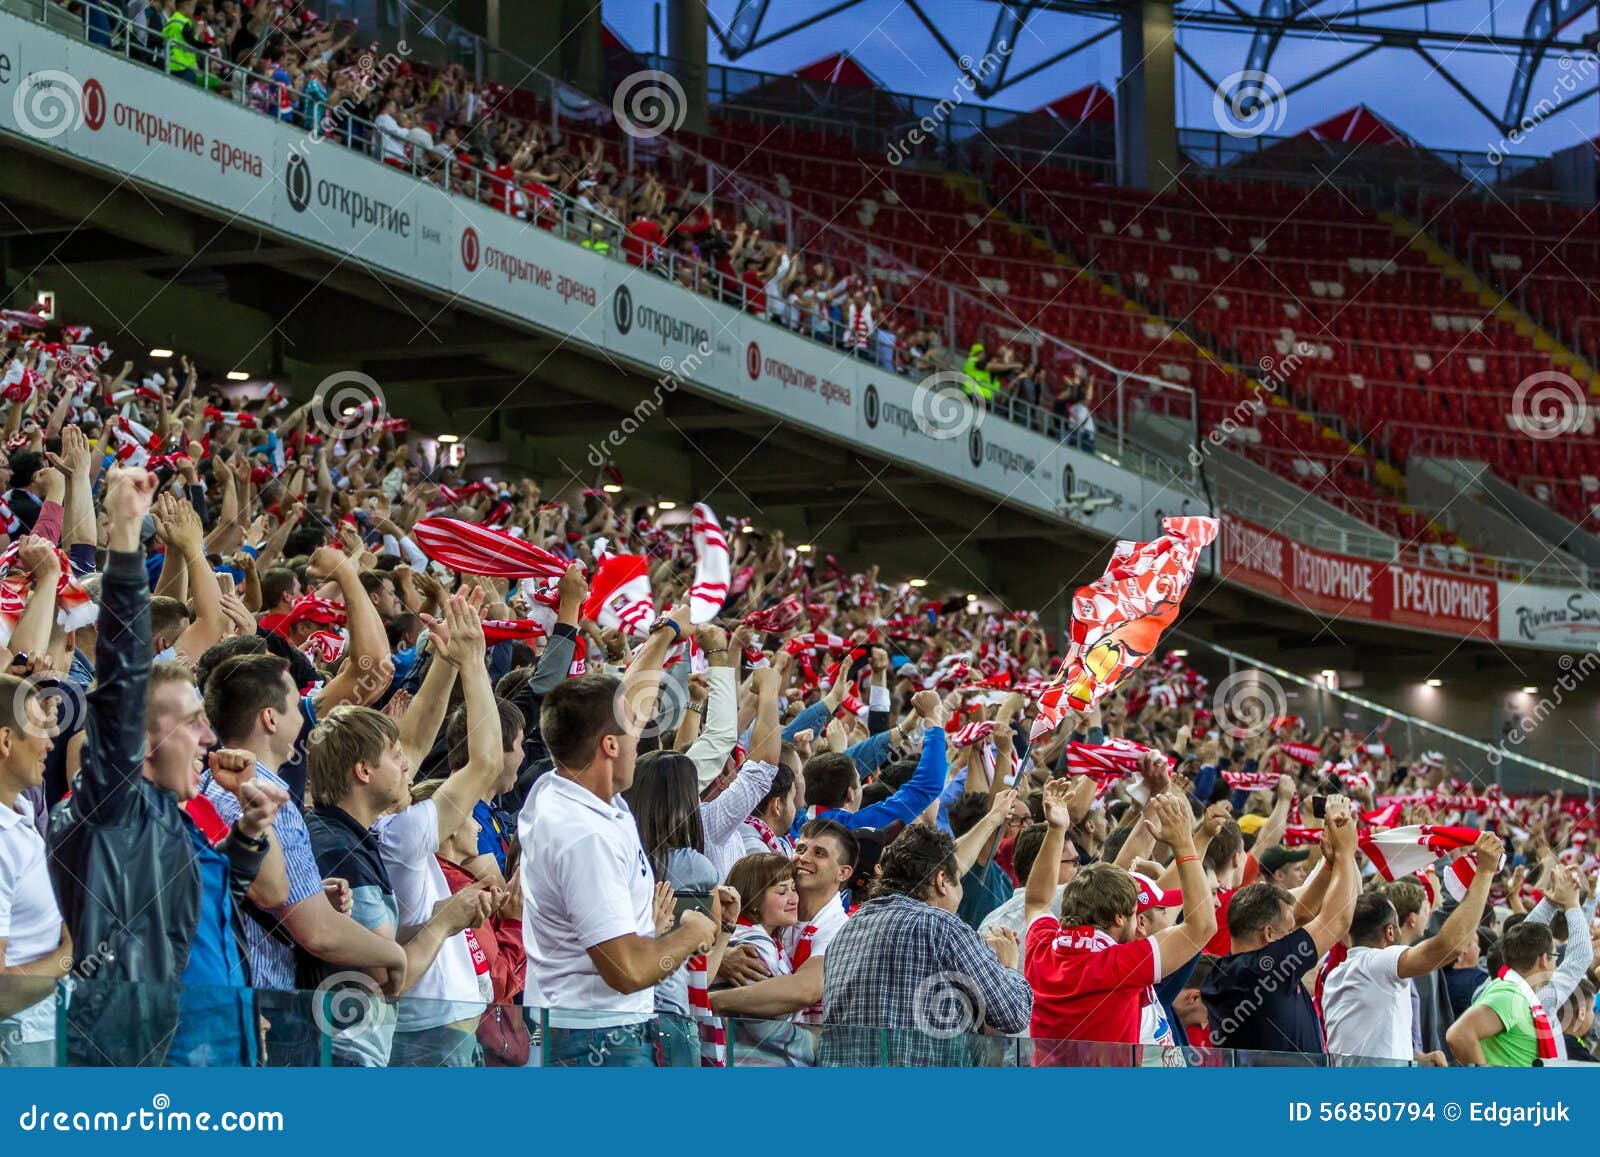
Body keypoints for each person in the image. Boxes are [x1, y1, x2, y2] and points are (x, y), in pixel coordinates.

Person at [48, 467, 288, 1066]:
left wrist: (250, 835)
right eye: (191, 722)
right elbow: (123, 678)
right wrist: (127, 538)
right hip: (149, 1067)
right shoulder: (112, 808)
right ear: (142, 738)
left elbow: (206, 898)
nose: (209, 735)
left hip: (226, 1048)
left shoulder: (181, 817)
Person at [519, 606, 723, 1067]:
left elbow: (630, 700)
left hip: (583, 1027)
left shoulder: (564, 788)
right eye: (632, 730)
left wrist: (666, 634)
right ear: (609, 745)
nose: (641, 735)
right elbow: (628, 972)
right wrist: (691, 932)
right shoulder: (583, 835)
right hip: (596, 1039)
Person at [1025, 785, 1215, 1065]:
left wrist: (1056, 830)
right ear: (1118, 918)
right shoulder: (1118, 966)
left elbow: (1038, 902)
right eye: (1136, 912)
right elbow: (1203, 927)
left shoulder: (1042, 948)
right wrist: (1184, 845)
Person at [817, 824, 1031, 1065]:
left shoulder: (846, 930)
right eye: (957, 881)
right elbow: (1014, 1013)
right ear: (942, 880)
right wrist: (1008, 964)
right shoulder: (944, 926)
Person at [1201, 796, 1360, 1059]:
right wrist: (1346, 853)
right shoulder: (1264, 969)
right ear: (1268, 934)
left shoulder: (1239, 969)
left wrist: (1331, 865)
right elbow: (1338, 920)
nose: (1295, 932)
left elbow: (1296, 916)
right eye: (1289, 932)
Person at [1322, 832, 1502, 1064]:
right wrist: (1485, 872)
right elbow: (1450, 945)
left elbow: (1372, 1042)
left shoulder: (1337, 972)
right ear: (1389, 931)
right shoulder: (1376, 963)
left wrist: (1416, 1060)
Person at [712, 818, 855, 1023]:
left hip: (802, 1049)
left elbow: (805, 990)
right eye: (801, 848)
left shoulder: (839, 928)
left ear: (842, 872)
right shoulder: (773, 915)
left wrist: (712, 1001)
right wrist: (720, 955)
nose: (803, 858)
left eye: (819, 853)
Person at [0, 675, 69, 1067]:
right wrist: (73, 953)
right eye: (38, 729)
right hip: (16, 1042)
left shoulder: (22, 815)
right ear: (6, 741)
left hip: (39, 1031)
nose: (49, 743)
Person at [719, 853, 812, 1066]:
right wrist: (811, 1042)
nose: (794, 899)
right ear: (754, 899)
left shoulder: (755, 937)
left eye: (794, 889)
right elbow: (760, 1024)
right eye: (782, 891)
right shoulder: (753, 943)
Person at [1447, 920, 1564, 1066]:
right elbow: (1459, 1035)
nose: (1555, 965)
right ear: (1543, 959)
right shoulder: (1510, 995)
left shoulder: (1513, 990)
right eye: (1554, 956)